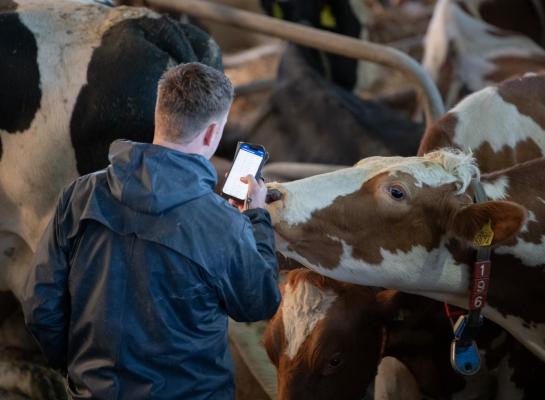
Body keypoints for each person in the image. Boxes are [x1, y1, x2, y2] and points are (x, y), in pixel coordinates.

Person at [22, 62, 281, 399]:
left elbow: (40, 306)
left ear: (158, 113)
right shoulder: (223, 223)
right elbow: (259, 302)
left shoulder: (80, 194)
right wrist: (256, 219)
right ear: (211, 133)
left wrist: (79, 371)